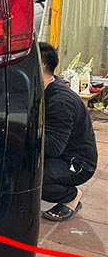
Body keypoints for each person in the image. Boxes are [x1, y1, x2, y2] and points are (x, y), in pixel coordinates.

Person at [39, 42, 97, 221]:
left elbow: (53, 147)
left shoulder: (60, 101)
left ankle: (71, 197)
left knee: (30, 177)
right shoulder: (46, 89)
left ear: (41, 65)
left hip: (77, 163)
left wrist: (19, 135)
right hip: (62, 154)